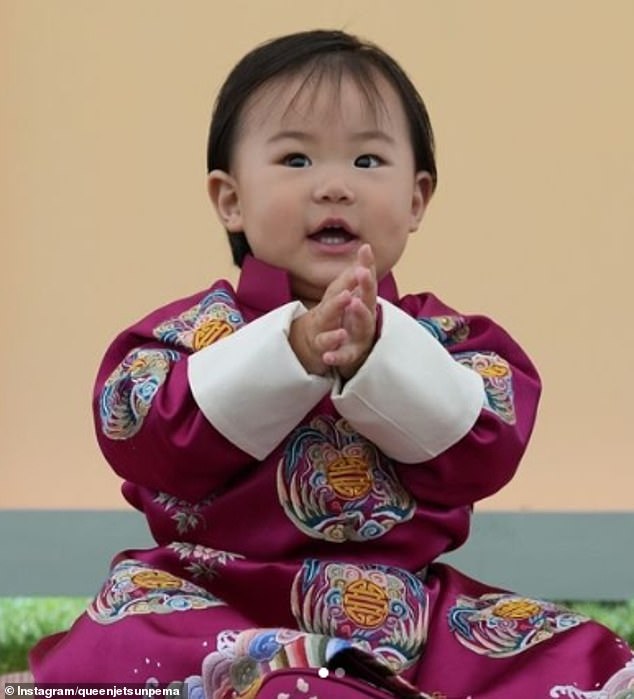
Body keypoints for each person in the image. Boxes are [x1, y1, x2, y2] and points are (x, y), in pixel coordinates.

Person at [31, 29, 633, 698]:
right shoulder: (186, 337)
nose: (335, 186)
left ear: (416, 199)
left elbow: (486, 447)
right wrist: (288, 353)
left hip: (398, 612)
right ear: (230, 199)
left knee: (582, 659)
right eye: (295, 158)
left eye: (369, 161)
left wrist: (383, 356)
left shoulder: (454, 343)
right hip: (209, 601)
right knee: (172, 644)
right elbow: (141, 435)